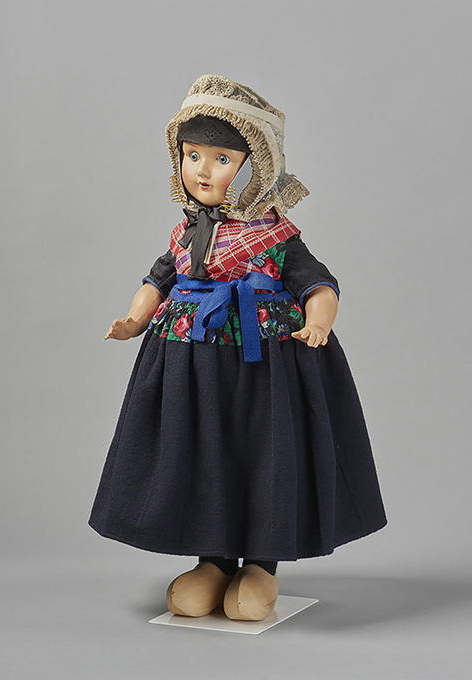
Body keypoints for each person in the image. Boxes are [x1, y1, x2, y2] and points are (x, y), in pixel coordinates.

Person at [88, 74, 387, 622]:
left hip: (265, 364)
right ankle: (214, 561)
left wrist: (318, 322)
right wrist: (134, 319)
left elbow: (318, 282)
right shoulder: (186, 234)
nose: (202, 170)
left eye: (222, 159)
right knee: (203, 451)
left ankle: (261, 566)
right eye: (192, 155)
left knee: (265, 452)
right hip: (191, 365)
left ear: (256, 170)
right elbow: (158, 280)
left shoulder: (276, 236)